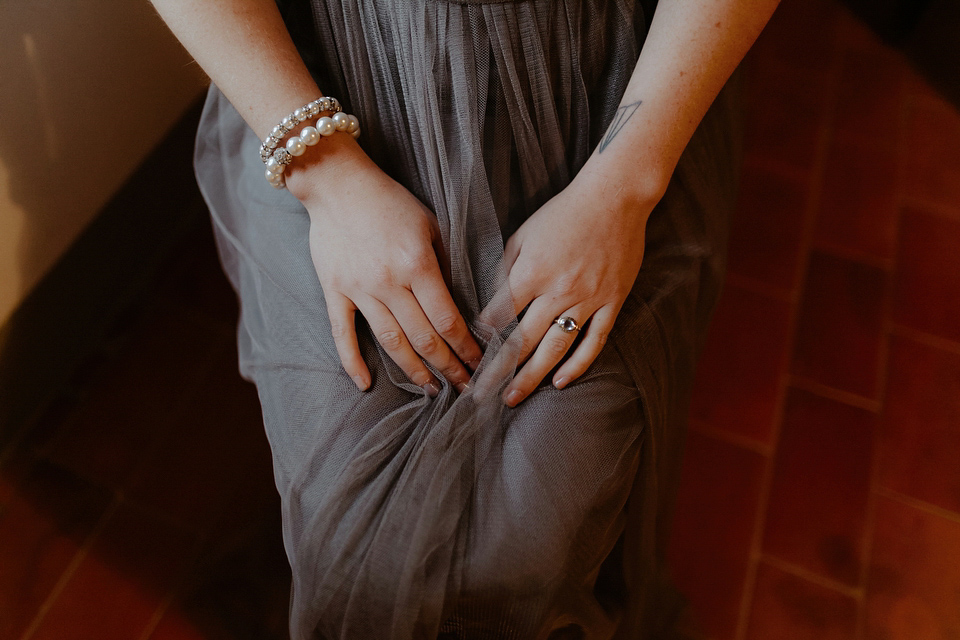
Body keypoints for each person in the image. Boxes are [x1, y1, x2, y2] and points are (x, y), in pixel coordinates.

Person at [150, 0, 779, 637]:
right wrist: (328, 177)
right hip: (328, 91)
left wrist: (622, 190)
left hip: (607, 100)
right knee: (355, 547)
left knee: (532, 542)